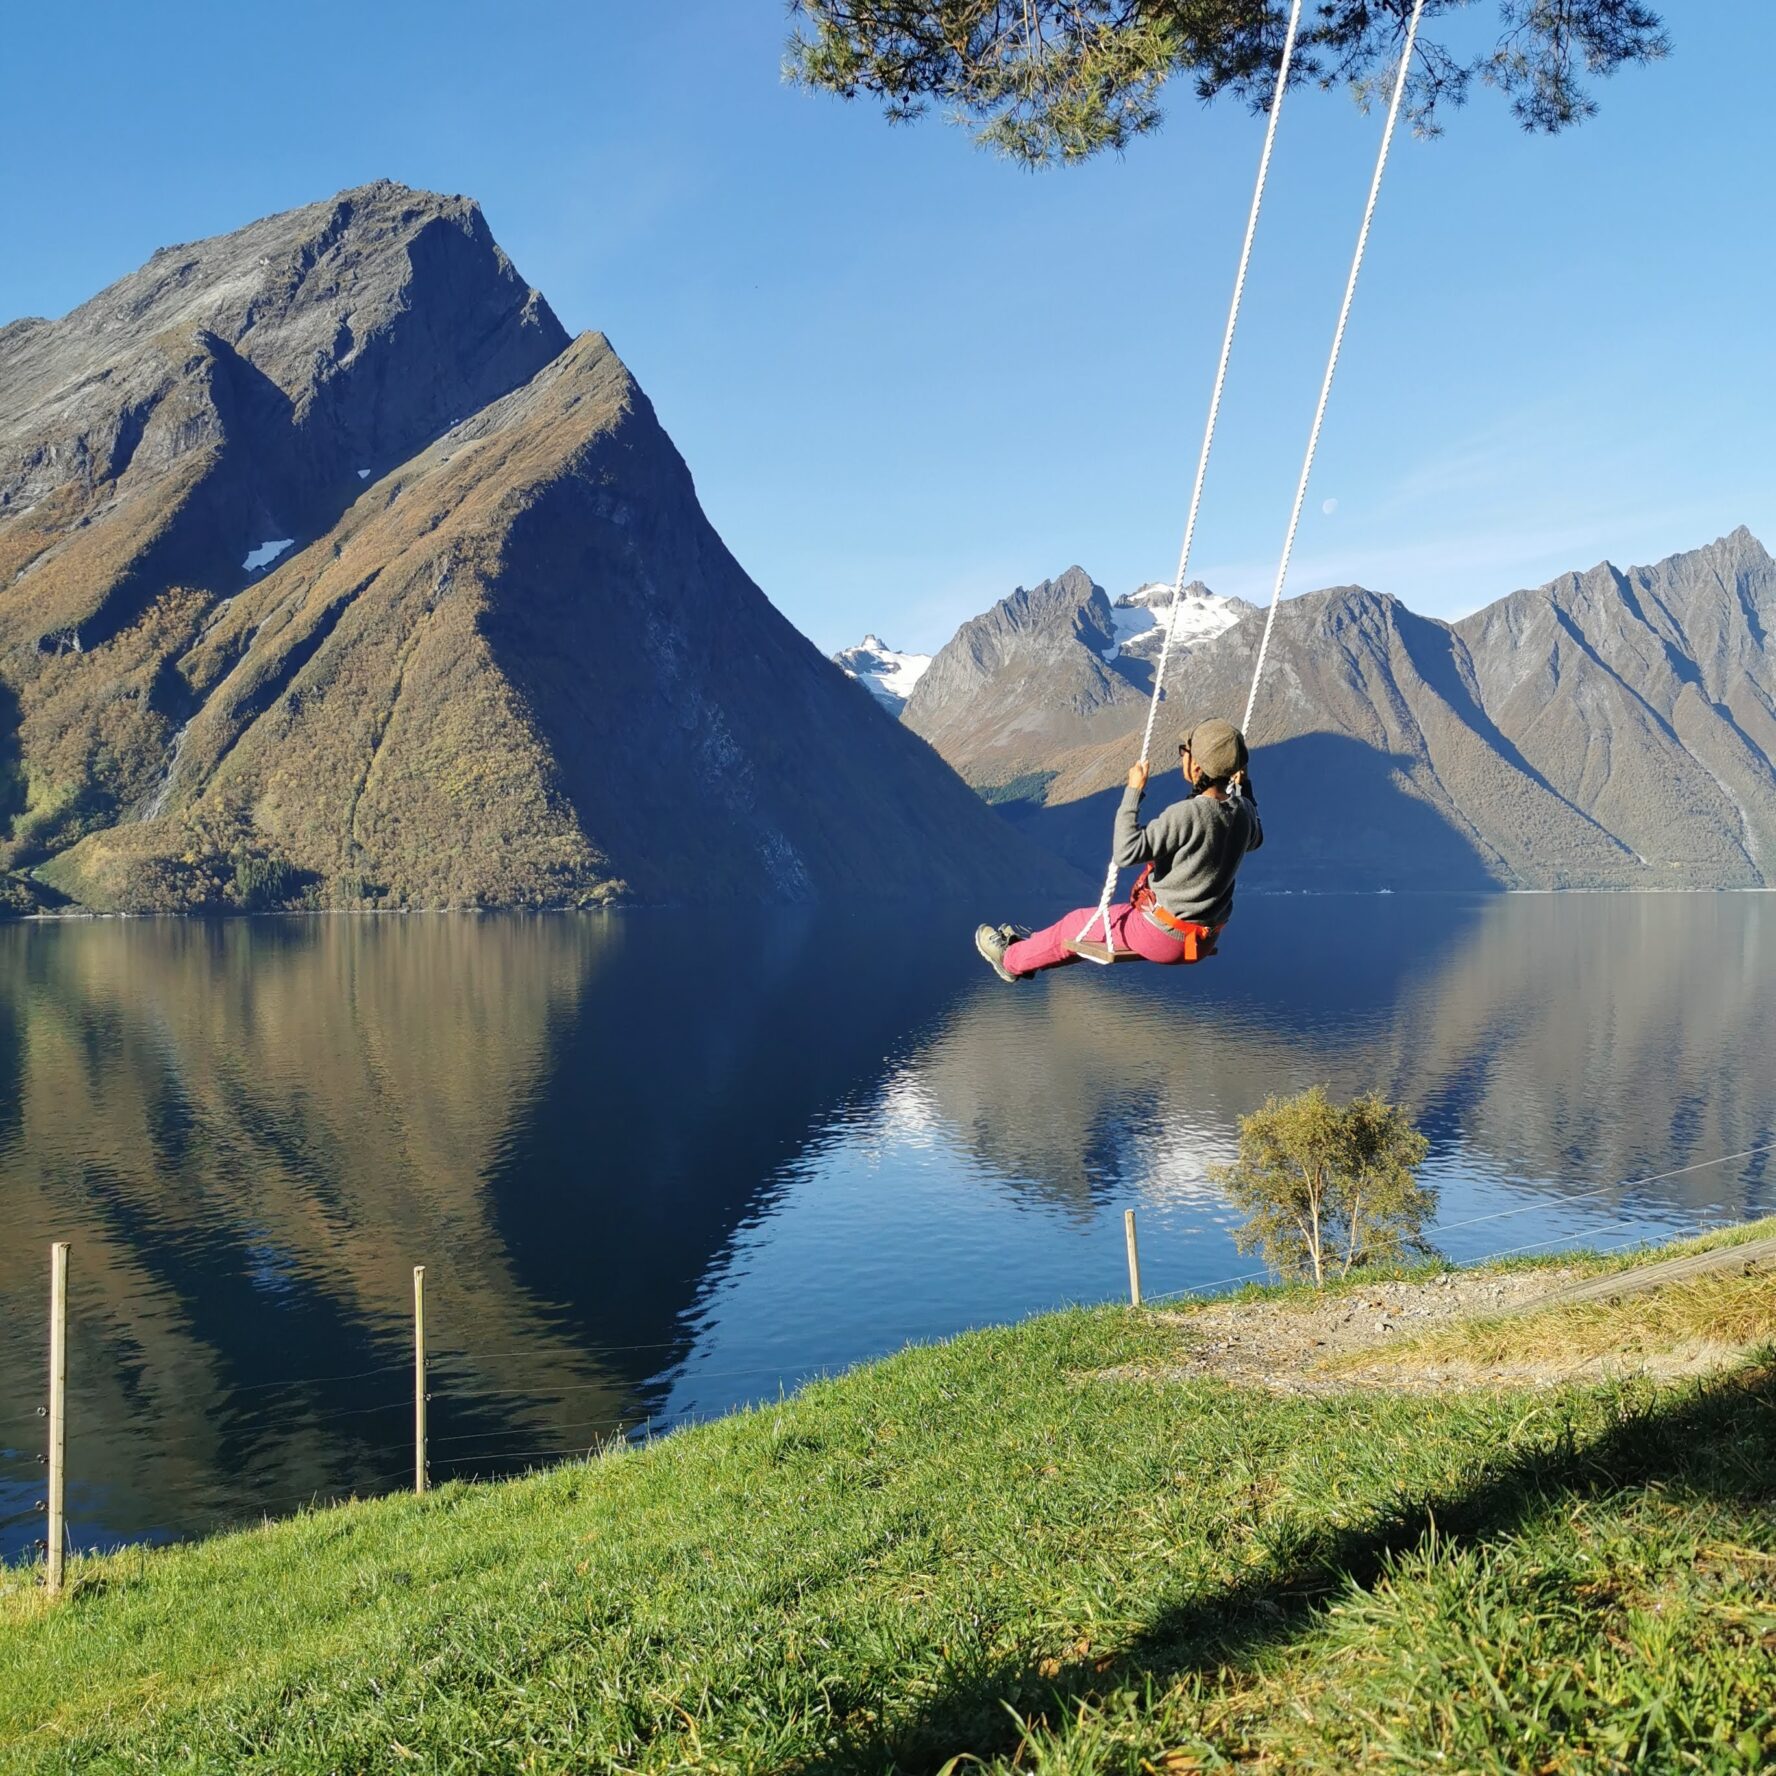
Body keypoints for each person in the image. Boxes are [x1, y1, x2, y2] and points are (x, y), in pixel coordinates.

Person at [975, 717, 1262, 981]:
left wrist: (1134, 791)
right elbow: (1255, 839)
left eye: (1183, 751)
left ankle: (1010, 960)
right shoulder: (1244, 813)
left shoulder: (1187, 814)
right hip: (1202, 939)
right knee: (1083, 934)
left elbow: (1126, 851)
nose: (1181, 756)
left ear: (1197, 767)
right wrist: (1244, 784)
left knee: (1074, 925)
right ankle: (1030, 950)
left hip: (1161, 936)